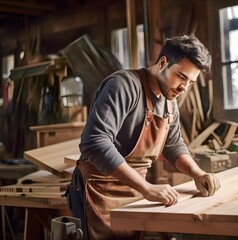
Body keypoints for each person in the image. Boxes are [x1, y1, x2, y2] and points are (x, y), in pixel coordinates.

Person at [66, 35, 221, 240]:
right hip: (98, 190)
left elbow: (173, 145)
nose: (184, 88)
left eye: (190, 82)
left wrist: (197, 173)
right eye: (182, 77)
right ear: (163, 63)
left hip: (135, 190)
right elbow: (94, 142)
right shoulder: (123, 85)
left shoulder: (169, 100)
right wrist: (146, 188)